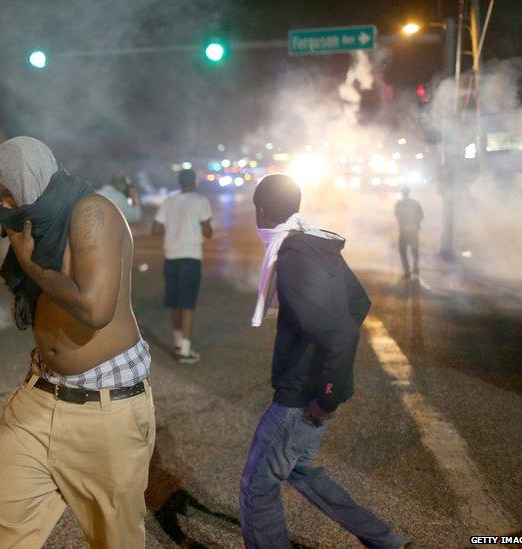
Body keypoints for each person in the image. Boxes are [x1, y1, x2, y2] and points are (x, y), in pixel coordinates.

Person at [0, 137, 154, 548]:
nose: (5, 204)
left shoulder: (92, 212)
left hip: (106, 407)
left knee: (115, 541)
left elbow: (95, 310)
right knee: (1, 528)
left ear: (32, 178)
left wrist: (30, 264)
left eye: (9, 191)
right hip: (40, 398)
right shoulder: (36, 221)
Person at [242, 174, 407, 549]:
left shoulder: (293, 255)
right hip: (311, 392)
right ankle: (385, 540)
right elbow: (357, 303)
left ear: (261, 210)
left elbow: (338, 331)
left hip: (300, 398)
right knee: (301, 471)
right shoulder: (316, 244)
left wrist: (326, 395)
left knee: (258, 487)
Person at [152, 168, 213, 364]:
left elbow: (155, 229)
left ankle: (178, 341)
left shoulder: (169, 201)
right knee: (188, 303)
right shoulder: (200, 201)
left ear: (180, 182)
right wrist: (205, 228)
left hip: (171, 256)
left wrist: (174, 231)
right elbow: (208, 231)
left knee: (174, 301)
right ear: (194, 182)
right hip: (190, 257)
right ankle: (185, 351)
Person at [394, 187, 424, 279]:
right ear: (409, 193)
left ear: (402, 193)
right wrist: (416, 222)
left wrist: (403, 223)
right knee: (414, 251)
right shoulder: (415, 203)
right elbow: (421, 215)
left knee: (403, 251)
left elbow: (397, 215)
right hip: (414, 230)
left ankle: (407, 271)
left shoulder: (399, 204)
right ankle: (415, 268)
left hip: (404, 231)